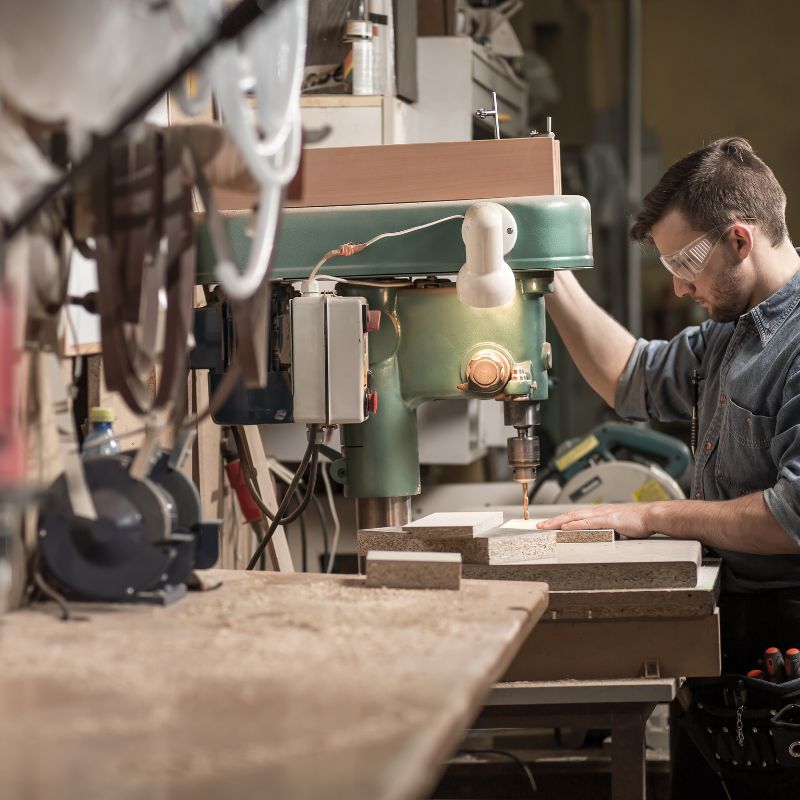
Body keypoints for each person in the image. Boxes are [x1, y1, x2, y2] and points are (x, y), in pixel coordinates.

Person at [538, 136, 800, 798]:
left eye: (687, 263)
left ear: (741, 240)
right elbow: (631, 376)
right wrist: (544, 272)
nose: (678, 286)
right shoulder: (730, 330)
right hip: (732, 628)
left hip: (786, 640)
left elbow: (790, 519)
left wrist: (652, 514)